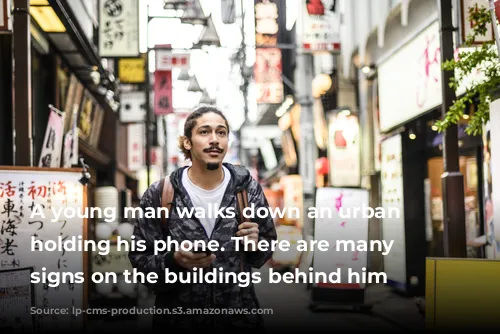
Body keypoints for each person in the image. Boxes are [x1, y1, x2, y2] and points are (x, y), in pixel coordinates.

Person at [128, 106, 277, 330]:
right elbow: (141, 261)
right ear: (187, 142)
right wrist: (174, 261)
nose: (215, 140)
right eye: (205, 132)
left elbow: (264, 250)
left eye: (221, 132)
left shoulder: (246, 189)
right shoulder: (161, 194)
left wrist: (255, 245)